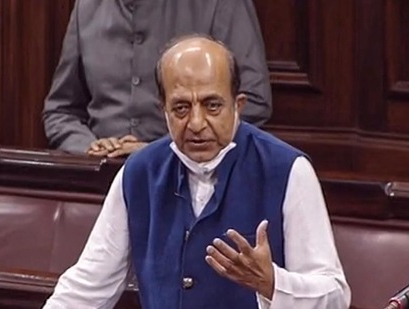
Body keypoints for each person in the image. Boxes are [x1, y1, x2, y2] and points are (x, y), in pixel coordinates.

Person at [43, 36, 351, 309]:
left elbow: (335, 295)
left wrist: (273, 283)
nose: (196, 123)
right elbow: (87, 287)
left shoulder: (287, 171)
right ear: (163, 109)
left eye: (212, 105)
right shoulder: (138, 173)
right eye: (181, 108)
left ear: (238, 105)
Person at [42, 0, 272, 158]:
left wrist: (156, 151)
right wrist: (89, 147)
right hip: (99, 178)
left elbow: (254, 101)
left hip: (189, 177)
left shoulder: (219, 4)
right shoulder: (87, 6)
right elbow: (61, 111)